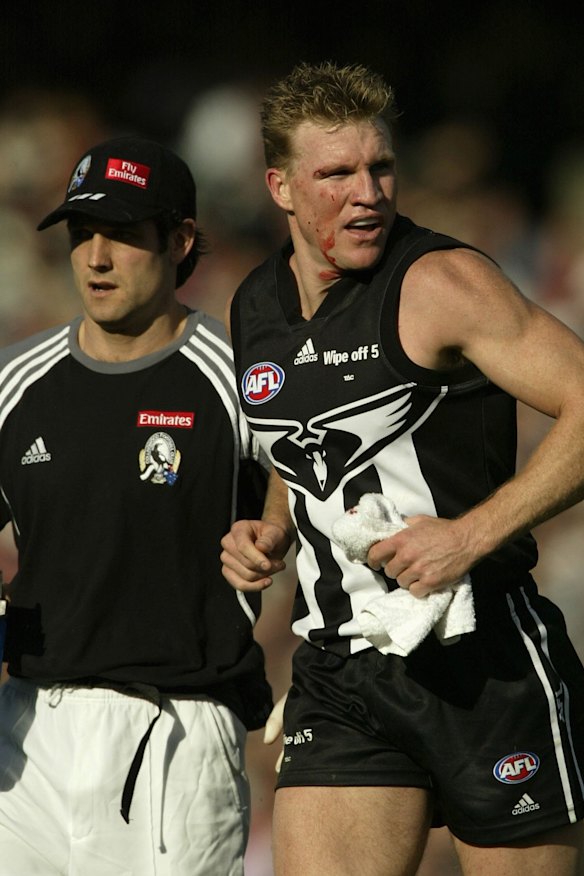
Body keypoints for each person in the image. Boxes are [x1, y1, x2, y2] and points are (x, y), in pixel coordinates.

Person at [220, 61, 584, 875]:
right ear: (280, 186)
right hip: (340, 670)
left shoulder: (443, 283)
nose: (368, 193)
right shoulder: (253, 305)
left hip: (482, 661)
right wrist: (273, 528)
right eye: (337, 174)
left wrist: (469, 535)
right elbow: (303, 442)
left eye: (380, 167)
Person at [0, 135, 272, 875]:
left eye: (121, 235)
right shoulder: (17, 383)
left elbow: (312, 496)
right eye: (83, 234)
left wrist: (271, 532)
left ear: (181, 240)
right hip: (28, 732)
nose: (95, 257)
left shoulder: (238, 383)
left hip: (177, 735)